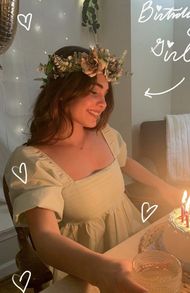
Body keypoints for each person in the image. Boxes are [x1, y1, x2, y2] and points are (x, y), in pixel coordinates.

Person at [4, 45, 180, 293]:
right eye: (94, 93)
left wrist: (165, 187)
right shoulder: (33, 161)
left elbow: (126, 162)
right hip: (87, 268)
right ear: (64, 93)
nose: (102, 104)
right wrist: (102, 272)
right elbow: (45, 239)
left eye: (105, 94)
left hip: (134, 244)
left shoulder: (105, 134)